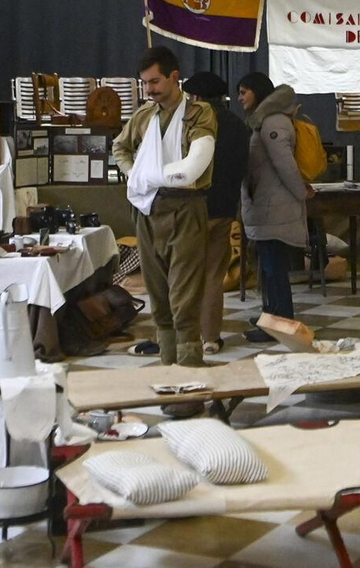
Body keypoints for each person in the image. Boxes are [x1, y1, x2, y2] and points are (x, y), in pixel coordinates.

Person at [112, 46, 219, 367]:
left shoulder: (198, 114)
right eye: (145, 83)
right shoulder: (144, 116)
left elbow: (194, 166)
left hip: (185, 207)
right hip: (149, 209)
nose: (149, 89)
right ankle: (167, 366)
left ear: (175, 77)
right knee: (157, 292)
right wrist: (136, 174)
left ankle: (188, 366)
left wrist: (150, 175)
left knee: (184, 293)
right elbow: (119, 147)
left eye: (155, 81)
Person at [237, 72, 309, 344]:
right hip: (267, 205)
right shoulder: (262, 120)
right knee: (268, 268)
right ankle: (271, 317)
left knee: (274, 269)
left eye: (244, 91)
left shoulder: (271, 122)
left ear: (257, 91)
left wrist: (301, 192)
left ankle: (281, 323)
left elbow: (284, 164)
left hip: (274, 207)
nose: (241, 97)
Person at [184, 71, 249, 355]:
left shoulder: (190, 123)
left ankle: (185, 337)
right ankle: (210, 338)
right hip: (224, 208)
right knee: (213, 275)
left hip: (190, 208)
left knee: (185, 275)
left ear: (197, 97)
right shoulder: (238, 124)